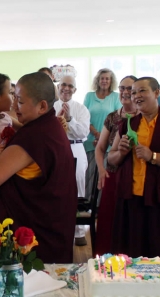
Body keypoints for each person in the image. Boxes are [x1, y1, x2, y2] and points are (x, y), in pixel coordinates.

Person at [0, 72, 77, 264]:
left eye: (20, 102)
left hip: (36, 227)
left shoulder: (35, 136)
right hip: (53, 220)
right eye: (14, 98)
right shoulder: (50, 126)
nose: (14, 106)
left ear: (42, 106)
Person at [107, 77, 160, 258]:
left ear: (157, 92)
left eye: (142, 91)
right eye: (133, 92)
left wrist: (153, 156)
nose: (136, 96)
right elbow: (112, 158)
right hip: (131, 198)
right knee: (131, 251)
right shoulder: (127, 124)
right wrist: (122, 152)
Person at [94, 75, 138, 255]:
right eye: (122, 88)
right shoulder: (112, 117)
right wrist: (101, 170)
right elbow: (100, 148)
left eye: (129, 89)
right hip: (113, 174)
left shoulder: (143, 117)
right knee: (109, 221)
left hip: (135, 178)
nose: (125, 92)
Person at [54, 75, 91, 246]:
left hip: (76, 147)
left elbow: (83, 133)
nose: (66, 88)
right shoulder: (49, 107)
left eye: (70, 86)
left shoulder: (81, 109)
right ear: (58, 86)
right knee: (56, 187)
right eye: (63, 85)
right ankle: (58, 228)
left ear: (75, 90)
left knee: (78, 187)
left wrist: (69, 119)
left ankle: (79, 232)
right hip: (55, 149)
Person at [83, 68, 119, 204]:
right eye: (102, 78)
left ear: (111, 81)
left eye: (107, 78)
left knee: (104, 175)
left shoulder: (115, 97)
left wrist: (103, 138)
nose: (104, 81)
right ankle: (88, 205)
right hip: (90, 141)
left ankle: (101, 206)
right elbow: (85, 118)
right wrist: (97, 135)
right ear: (98, 80)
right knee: (90, 175)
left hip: (109, 144)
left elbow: (117, 120)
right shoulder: (89, 96)